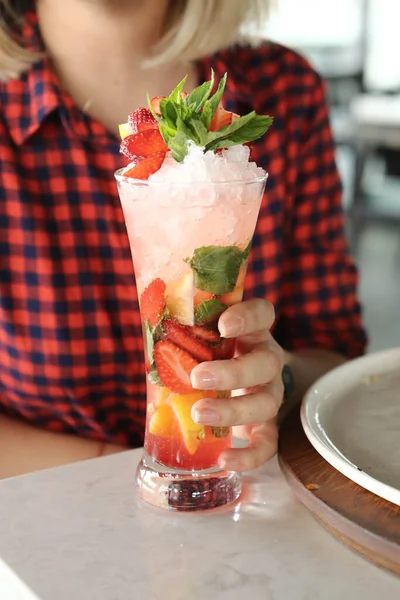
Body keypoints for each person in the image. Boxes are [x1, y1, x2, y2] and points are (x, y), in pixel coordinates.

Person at [0, 0, 366, 479]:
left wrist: (274, 379)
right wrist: (147, 476)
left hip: (243, 514)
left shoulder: (284, 88)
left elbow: (335, 359)